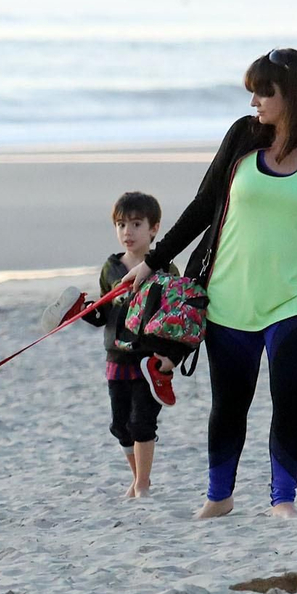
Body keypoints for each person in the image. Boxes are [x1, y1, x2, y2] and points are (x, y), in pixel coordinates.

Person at [124, 48, 297, 519]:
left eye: (265, 92)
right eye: (253, 93)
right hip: (228, 297)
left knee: (289, 397)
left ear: (295, 94)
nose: (255, 103)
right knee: (229, 404)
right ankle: (218, 498)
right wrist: (153, 262)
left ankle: (282, 501)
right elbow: (204, 206)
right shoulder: (243, 138)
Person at [81, 192, 177, 498]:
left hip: (150, 359)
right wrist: (86, 312)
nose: (128, 232)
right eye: (121, 225)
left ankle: (143, 484)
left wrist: (170, 355)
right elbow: (105, 313)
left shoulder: (166, 270)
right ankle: (137, 479)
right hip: (117, 356)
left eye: (136, 224)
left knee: (142, 422)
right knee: (120, 426)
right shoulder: (111, 269)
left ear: (154, 228)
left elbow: (174, 317)